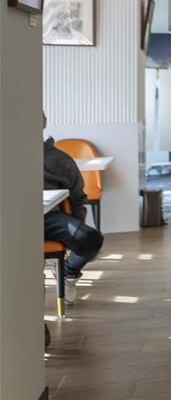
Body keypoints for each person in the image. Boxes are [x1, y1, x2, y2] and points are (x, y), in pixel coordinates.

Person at [43, 112, 104, 304]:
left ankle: (68, 272)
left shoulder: (60, 159)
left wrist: (76, 229)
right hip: (12, 218)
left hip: (50, 217)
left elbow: (77, 198)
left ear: (44, 122)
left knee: (90, 238)